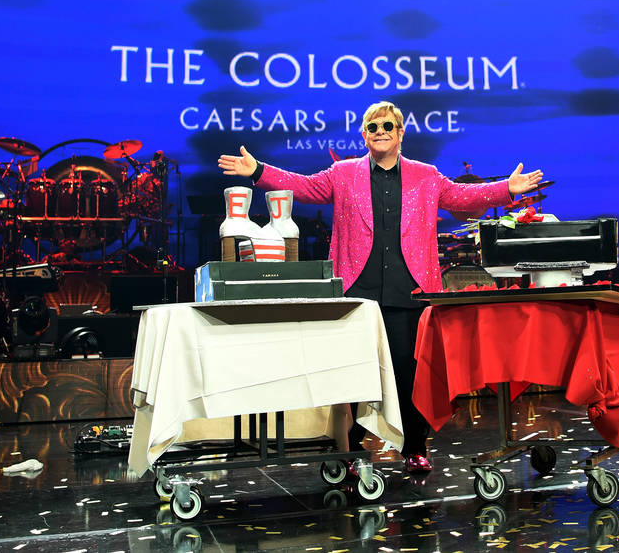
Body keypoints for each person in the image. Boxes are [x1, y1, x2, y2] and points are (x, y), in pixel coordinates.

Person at [218, 100, 543, 472]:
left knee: (409, 373)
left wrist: (506, 189)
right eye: (373, 128)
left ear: (401, 132)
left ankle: (414, 448)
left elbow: (461, 197)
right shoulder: (343, 173)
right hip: (358, 289)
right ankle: (354, 450)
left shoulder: (425, 175)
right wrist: (258, 170)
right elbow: (304, 187)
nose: (381, 133)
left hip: (410, 288)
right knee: (356, 372)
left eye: (388, 126)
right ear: (364, 135)